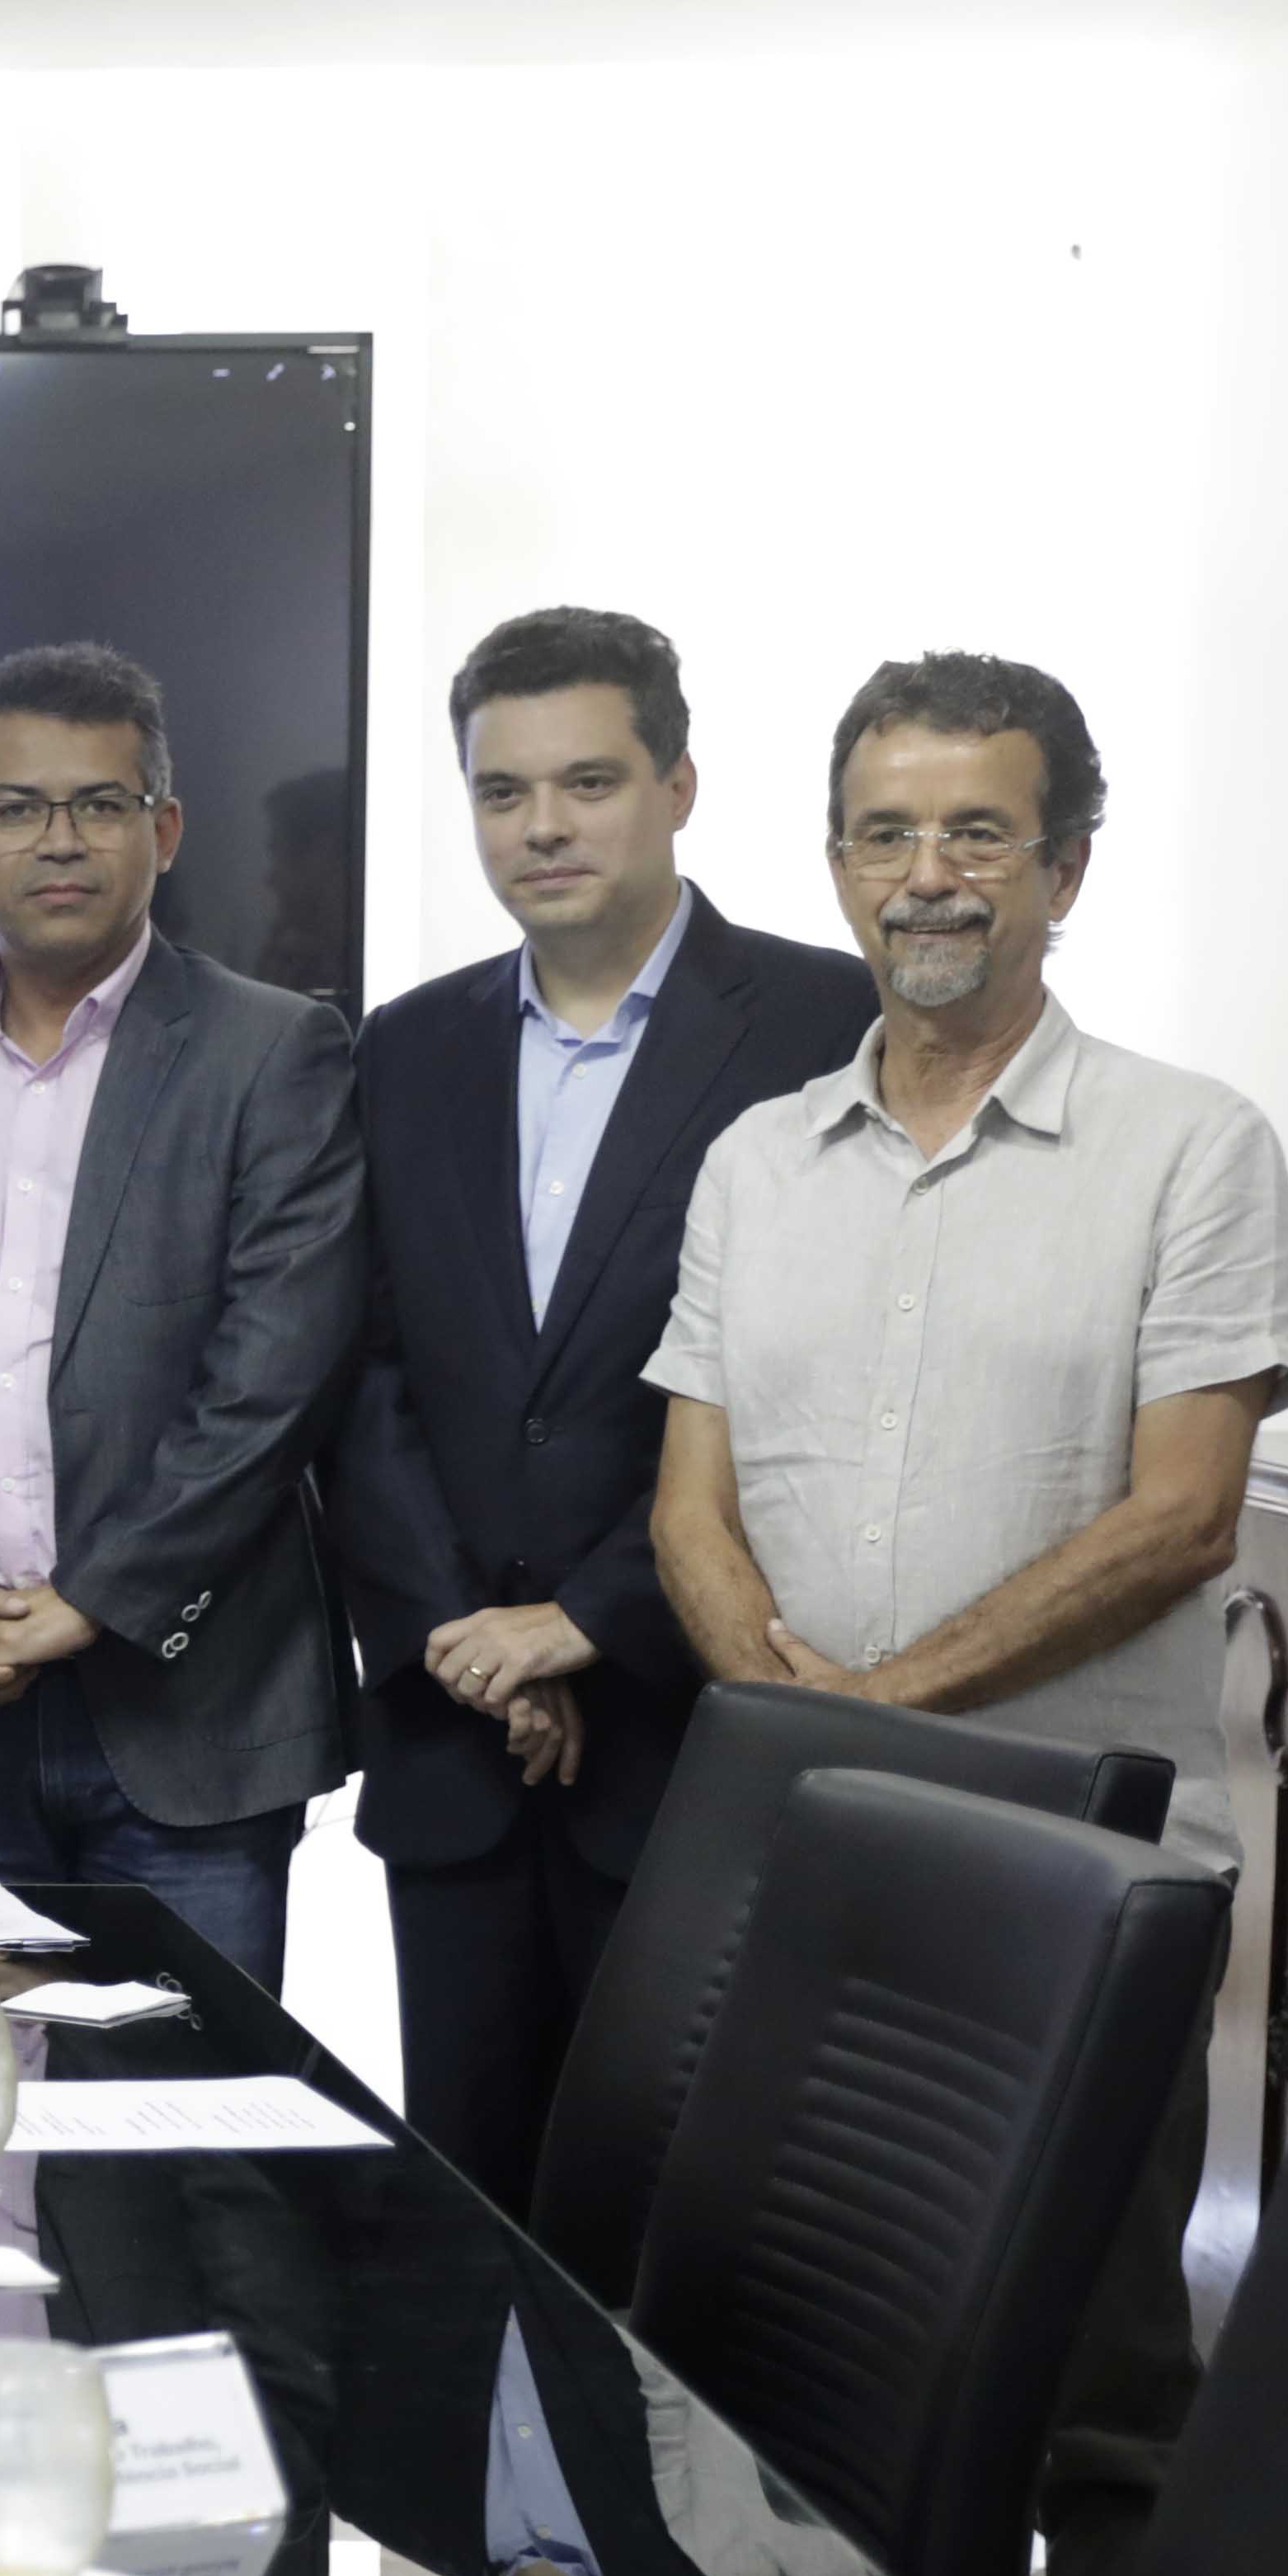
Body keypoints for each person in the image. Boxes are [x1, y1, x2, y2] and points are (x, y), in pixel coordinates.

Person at [651, 648, 1288, 2576]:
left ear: (1067, 867)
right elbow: (691, 1497)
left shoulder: (1192, 1147)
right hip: (819, 1870)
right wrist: (794, 1725)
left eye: (978, 832)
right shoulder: (757, 1157)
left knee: (1104, 2401)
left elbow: (1181, 1511)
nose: (928, 874)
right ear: (837, 863)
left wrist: (870, 1709)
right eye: (886, 832)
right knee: (831, 2374)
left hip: (1093, 1870)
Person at [337, 610, 876, 2211]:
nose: (545, 826)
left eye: (588, 780)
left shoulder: (821, 1024)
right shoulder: (406, 1045)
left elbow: (824, 1381)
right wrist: (474, 1636)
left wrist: (587, 1621)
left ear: (681, 782)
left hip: (697, 1734)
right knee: (473, 2228)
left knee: (697, 2246)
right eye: (503, 792)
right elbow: (366, 1380)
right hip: (458, 1755)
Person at [0, 645, 365, 1987]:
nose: (57, 841)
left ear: (164, 830)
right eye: (15, 808)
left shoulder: (275, 1049)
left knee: (187, 2156)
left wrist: (97, 1600)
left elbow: (275, 1383)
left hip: (189, 1706)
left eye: (101, 804)